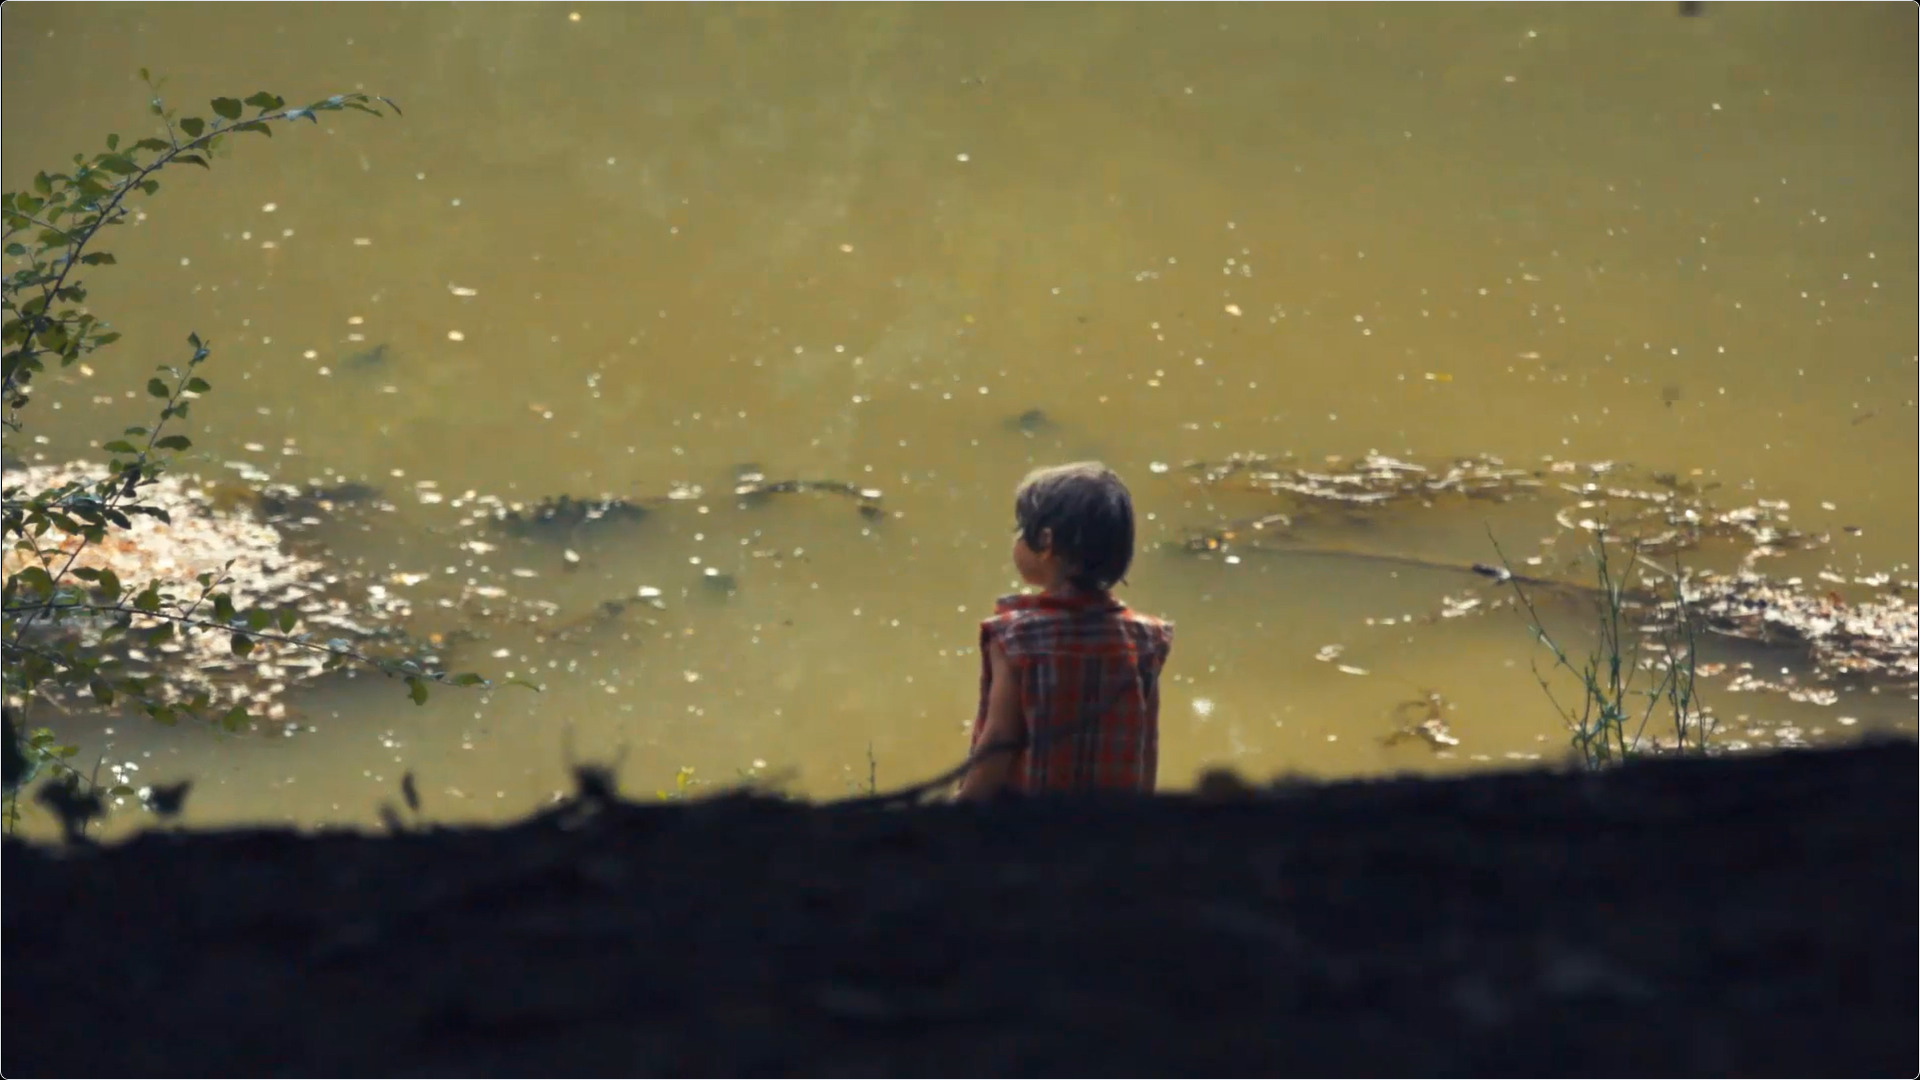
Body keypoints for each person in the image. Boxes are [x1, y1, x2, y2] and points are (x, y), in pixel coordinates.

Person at [956, 462, 1174, 800]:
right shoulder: (1147, 640)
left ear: (1045, 542)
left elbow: (998, 744)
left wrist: (954, 814)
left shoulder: (1016, 638)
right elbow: (1147, 744)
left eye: (1021, 529)